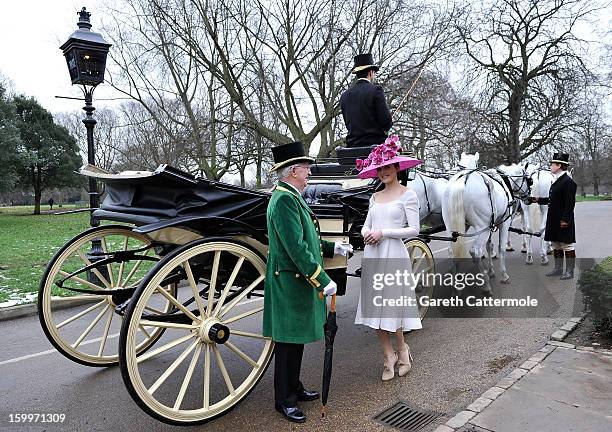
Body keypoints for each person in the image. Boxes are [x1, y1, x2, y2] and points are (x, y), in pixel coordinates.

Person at [263, 141, 353, 423]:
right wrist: (322, 279)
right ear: (292, 171)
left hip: (296, 282)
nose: (310, 173)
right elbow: (296, 249)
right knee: (287, 343)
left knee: (296, 338)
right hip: (290, 282)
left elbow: (308, 239)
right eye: (306, 169)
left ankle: (295, 387)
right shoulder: (284, 200)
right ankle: (284, 400)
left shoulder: (290, 195)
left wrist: (332, 248)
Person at [354, 136, 423, 381]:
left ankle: (403, 350)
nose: (383, 171)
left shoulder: (408, 195)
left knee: (392, 307)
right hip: (373, 255)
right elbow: (365, 226)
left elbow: (414, 230)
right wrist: (367, 234)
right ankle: (388, 356)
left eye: (387, 167)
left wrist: (384, 233)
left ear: (397, 168)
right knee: (376, 308)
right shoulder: (375, 197)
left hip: (393, 254)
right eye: (380, 168)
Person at [529, 153, 577, 279]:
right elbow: (552, 200)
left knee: (567, 245)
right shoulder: (557, 180)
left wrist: (565, 220)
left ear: (559, 165)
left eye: (552, 164)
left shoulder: (568, 182)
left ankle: (570, 272)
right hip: (554, 218)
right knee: (556, 244)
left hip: (562, 219)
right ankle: (558, 269)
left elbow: (569, 204)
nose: (550, 166)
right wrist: (537, 200)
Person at [340, 53, 393, 148]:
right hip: (375, 149)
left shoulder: (344, 96)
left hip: (352, 148)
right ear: (370, 72)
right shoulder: (376, 90)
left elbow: (348, 124)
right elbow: (385, 122)